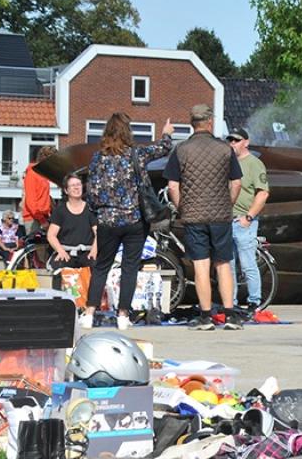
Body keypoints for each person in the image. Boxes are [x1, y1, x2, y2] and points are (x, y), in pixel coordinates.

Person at [86, 112, 174, 331]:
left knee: (101, 267)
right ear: (128, 132)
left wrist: (100, 210)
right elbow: (163, 149)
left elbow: (92, 191)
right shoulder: (137, 154)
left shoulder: (98, 158)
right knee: (130, 267)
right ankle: (123, 315)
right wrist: (166, 134)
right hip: (135, 219)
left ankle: (89, 312)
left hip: (108, 220)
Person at [165, 104, 242, 331]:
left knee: (201, 265)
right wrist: (228, 204)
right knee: (223, 264)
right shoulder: (225, 149)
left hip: (194, 216)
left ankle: (206, 316)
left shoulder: (181, 150)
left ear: (192, 124)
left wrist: (182, 207)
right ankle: (229, 315)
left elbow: (172, 185)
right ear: (210, 122)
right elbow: (236, 182)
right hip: (221, 216)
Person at [226, 127, 269, 313]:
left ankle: (254, 301)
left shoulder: (254, 164)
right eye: (230, 140)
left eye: (236, 140)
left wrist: (249, 217)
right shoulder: (228, 162)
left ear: (246, 142)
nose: (232, 143)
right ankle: (232, 301)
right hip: (227, 219)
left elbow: (263, 192)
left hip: (244, 222)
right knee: (228, 265)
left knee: (247, 263)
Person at [47, 173, 97, 295]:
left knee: (97, 268)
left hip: (87, 252)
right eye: (73, 185)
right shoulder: (60, 210)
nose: (76, 188)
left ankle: (92, 305)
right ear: (66, 190)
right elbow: (51, 235)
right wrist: (60, 250)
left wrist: (94, 250)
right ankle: (59, 303)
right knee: (59, 269)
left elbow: (98, 232)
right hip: (67, 252)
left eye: (78, 185)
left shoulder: (91, 208)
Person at [22, 146, 55, 231]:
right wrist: (42, 220)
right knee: (36, 244)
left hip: (42, 217)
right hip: (34, 219)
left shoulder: (42, 174)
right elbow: (31, 202)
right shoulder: (32, 174)